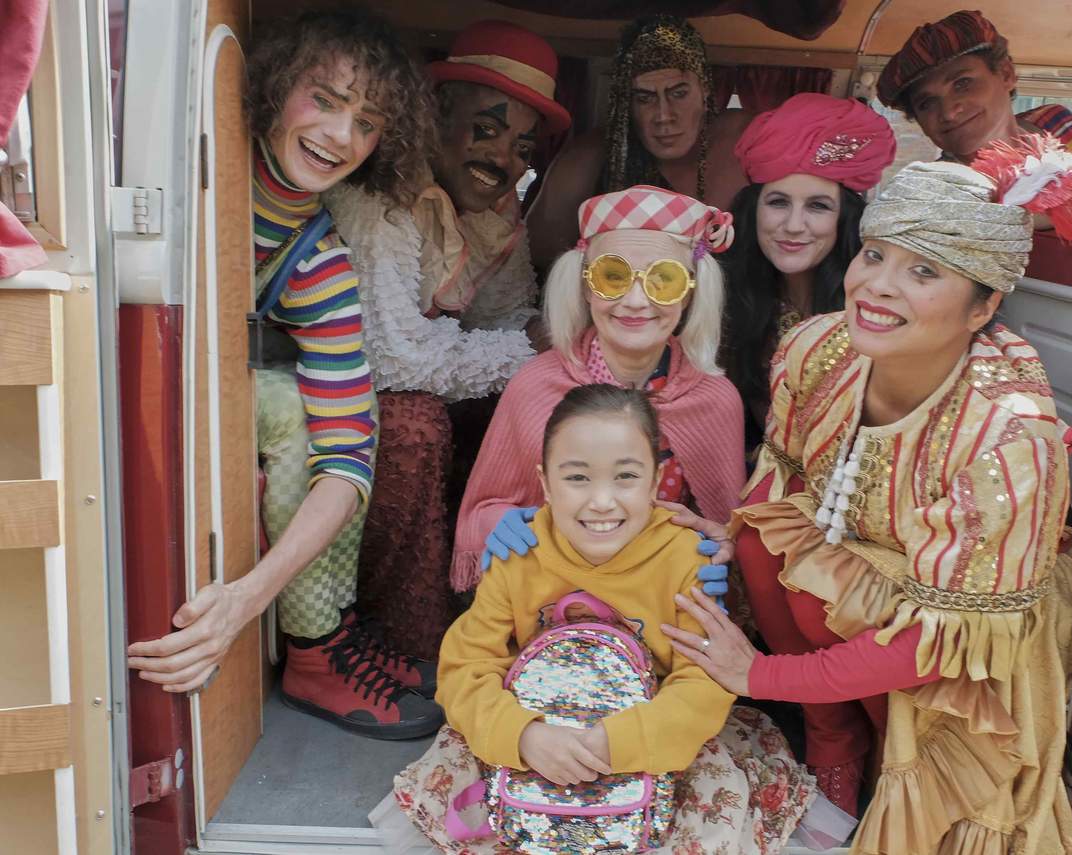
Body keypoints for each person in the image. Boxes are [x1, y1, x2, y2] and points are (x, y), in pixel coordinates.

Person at [661, 145, 1072, 851]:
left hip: (971, 626)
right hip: (871, 565)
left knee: (829, 598)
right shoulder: (818, 347)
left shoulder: (1006, 438)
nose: (877, 286)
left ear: (984, 307)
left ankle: (894, 766)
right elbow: (786, 475)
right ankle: (833, 740)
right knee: (761, 541)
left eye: (924, 271)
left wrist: (758, 673)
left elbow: (940, 644)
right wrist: (729, 532)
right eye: (875, 254)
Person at [126, 11, 441, 738]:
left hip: (195, 406)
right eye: (324, 99)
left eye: (367, 123)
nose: (340, 135)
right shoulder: (187, 169)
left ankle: (324, 639)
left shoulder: (317, 258)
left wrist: (246, 599)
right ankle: (318, 645)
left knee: (351, 417)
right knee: (291, 405)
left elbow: (348, 454)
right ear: (273, 87)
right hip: (139, 397)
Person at [368, 384, 815, 854]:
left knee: (707, 804)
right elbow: (465, 668)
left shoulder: (685, 558)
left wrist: (617, 742)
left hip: (651, 739)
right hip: (536, 734)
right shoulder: (519, 553)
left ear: (655, 480)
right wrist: (524, 735)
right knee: (467, 787)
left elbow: (704, 680)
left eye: (626, 477)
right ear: (545, 483)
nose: (602, 501)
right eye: (577, 478)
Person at [324, 20, 571, 661]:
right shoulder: (379, 198)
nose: (502, 159)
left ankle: (525, 610)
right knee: (414, 426)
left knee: (541, 409)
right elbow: (393, 357)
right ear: (434, 117)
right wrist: (531, 346)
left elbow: (507, 314)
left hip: (421, 379)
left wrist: (541, 353)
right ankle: (405, 637)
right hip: (334, 398)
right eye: (486, 130)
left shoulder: (494, 213)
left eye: (521, 147)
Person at [452, 185, 745, 591]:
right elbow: (485, 509)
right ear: (586, 286)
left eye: (664, 279)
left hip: (664, 589)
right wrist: (501, 522)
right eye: (613, 276)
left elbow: (729, 528)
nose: (636, 301)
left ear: (691, 291)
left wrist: (716, 542)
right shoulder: (534, 385)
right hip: (549, 585)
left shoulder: (715, 399)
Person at [877, 9, 1072, 246]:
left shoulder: (1055, 122)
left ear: (1005, 74)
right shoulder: (938, 185)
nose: (948, 111)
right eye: (927, 103)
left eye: (962, 84)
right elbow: (996, 218)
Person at [721, 92, 896, 450]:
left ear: (844, 219)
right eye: (778, 202)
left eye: (818, 206)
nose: (794, 225)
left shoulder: (877, 308)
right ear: (753, 211)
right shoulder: (728, 299)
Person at [526, 15, 754, 270]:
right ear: (627, 103)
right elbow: (532, 264)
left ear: (705, 88)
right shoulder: (588, 158)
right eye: (644, 98)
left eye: (679, 94)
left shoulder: (747, 138)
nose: (664, 116)